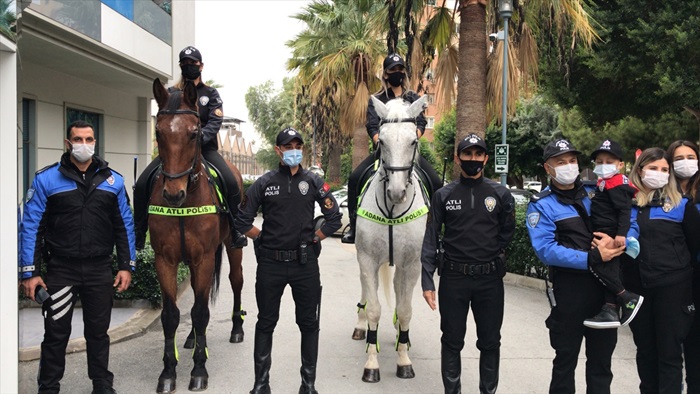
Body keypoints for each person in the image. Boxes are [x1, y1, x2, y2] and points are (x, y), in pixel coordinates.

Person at [19, 120, 136, 394]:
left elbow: (124, 226)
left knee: (98, 333)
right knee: (56, 335)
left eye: (89, 139)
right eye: (78, 139)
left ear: (95, 142)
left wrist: (125, 266)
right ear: (68, 143)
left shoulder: (114, 181)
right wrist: (30, 272)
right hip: (62, 271)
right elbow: (31, 226)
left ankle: (102, 384)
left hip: (99, 270)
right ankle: (48, 387)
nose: (84, 144)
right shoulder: (46, 179)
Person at [236, 128, 342, 394]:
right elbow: (241, 220)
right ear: (278, 150)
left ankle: (308, 385)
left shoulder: (314, 181)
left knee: (309, 325)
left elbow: (334, 218)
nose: (294, 150)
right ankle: (261, 385)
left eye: (298, 145)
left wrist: (315, 239)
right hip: (270, 265)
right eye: (288, 145)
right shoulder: (264, 183)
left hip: (304, 265)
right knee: (265, 323)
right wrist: (260, 238)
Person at [526, 138, 626, 394]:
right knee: (565, 363)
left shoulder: (598, 192)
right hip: (571, 290)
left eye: (572, 161)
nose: (569, 166)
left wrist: (621, 242)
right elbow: (546, 250)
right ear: (547, 168)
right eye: (561, 162)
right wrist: (592, 258)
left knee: (601, 365)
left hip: (605, 293)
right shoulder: (541, 204)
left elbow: (625, 217)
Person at [421, 134, 515, 394]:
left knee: (490, 342)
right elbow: (430, 238)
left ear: (486, 158)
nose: (472, 159)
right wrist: (427, 279)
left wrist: (491, 253)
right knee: (452, 341)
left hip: (489, 281)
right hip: (454, 279)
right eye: (467, 154)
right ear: (457, 158)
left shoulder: (500, 194)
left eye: (478, 154)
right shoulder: (443, 195)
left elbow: (508, 231)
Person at [133, 45, 246, 250]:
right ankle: (139, 232)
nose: (189, 66)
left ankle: (236, 229)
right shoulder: (171, 94)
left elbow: (215, 121)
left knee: (230, 181)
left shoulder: (210, 93)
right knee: (141, 184)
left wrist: (198, 139)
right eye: (184, 63)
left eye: (193, 63)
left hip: (205, 149)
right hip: (174, 152)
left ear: (201, 65)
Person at [623, 147, 700, 393]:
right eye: (653, 168)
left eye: (664, 169)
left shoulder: (681, 205)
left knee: (669, 354)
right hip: (637, 290)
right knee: (645, 352)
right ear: (640, 169)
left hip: (673, 289)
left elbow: (694, 244)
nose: (659, 173)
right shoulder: (625, 204)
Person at [342, 53, 442, 244]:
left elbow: (421, 123)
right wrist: (381, 140)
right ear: (386, 74)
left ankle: (435, 231)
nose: (397, 73)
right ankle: (354, 228)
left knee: (436, 183)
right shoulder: (377, 99)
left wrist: (412, 138)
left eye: (400, 70)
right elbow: (372, 125)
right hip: (385, 151)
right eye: (393, 70)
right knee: (354, 178)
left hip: (408, 151)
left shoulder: (413, 97)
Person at [583, 139, 643, 329]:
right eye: (599, 161)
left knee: (596, 265)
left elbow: (624, 210)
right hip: (603, 230)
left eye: (609, 161)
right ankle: (610, 308)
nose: (603, 165)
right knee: (610, 270)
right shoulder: (604, 181)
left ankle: (628, 297)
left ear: (620, 165)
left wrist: (620, 235)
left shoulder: (616, 183)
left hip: (609, 233)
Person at [666, 140, 700, 394]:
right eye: (679, 158)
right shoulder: (660, 197)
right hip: (672, 281)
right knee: (669, 352)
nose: (686, 162)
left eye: (691, 156)